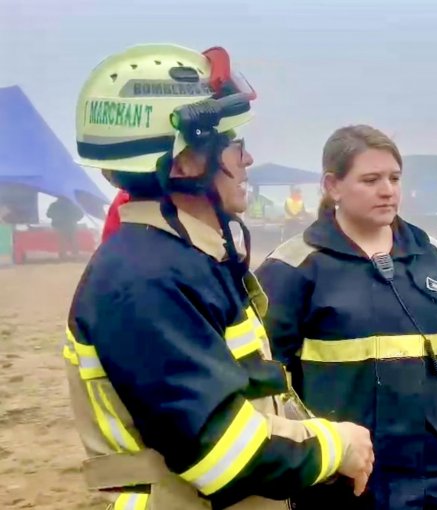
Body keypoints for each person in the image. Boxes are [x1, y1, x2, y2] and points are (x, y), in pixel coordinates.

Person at [62, 43, 374, 510]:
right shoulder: (145, 279)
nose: (246, 161)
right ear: (184, 162)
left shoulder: (183, 255)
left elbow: (244, 392)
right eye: (233, 145)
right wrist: (336, 447)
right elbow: (222, 454)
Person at [255, 125, 437, 510]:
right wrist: (316, 457)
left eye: (394, 178)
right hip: (334, 487)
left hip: (424, 486)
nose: (388, 190)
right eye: (371, 179)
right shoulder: (292, 270)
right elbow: (266, 387)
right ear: (333, 186)